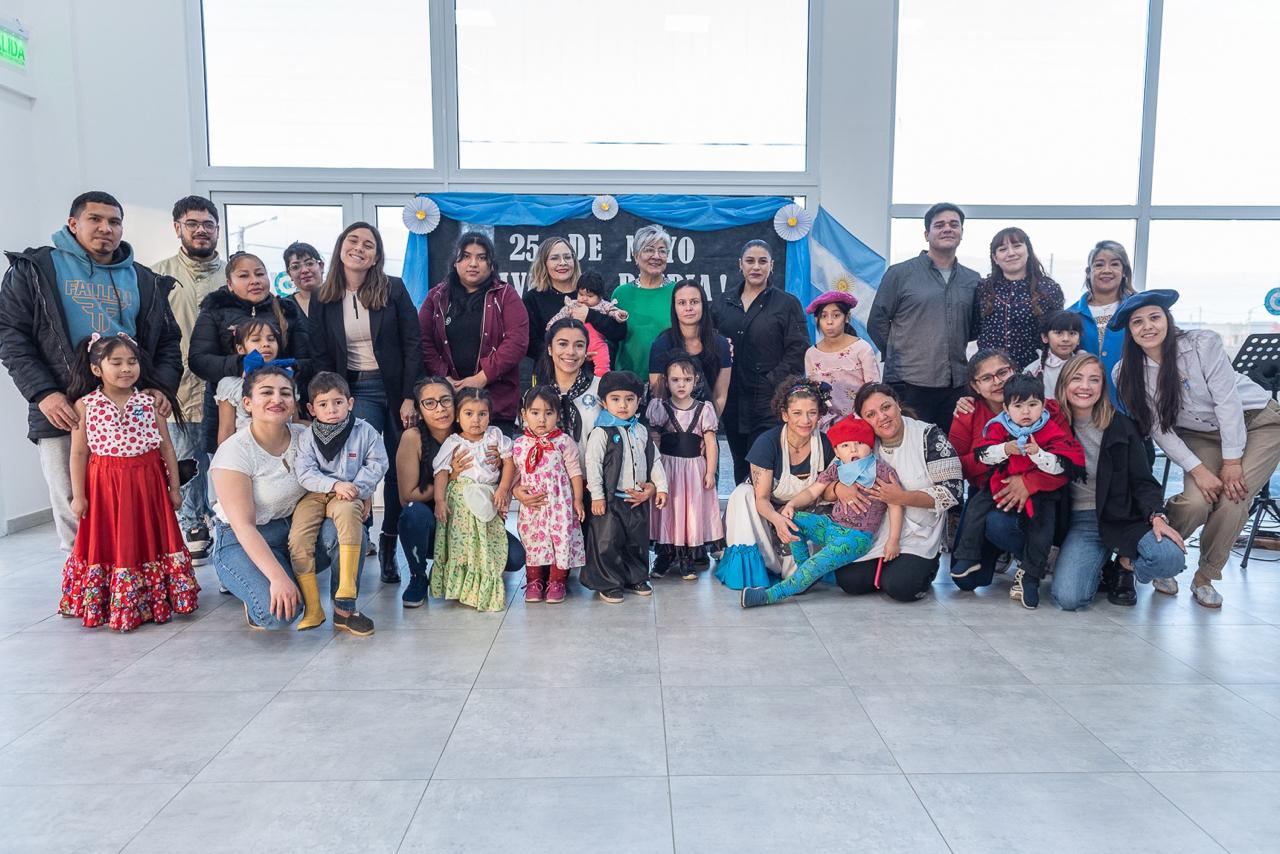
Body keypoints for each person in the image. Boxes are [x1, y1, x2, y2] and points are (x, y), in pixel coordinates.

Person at [0, 190, 183, 552]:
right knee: (73, 498)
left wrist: (161, 387)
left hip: (130, 407)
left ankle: (128, 581)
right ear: (73, 224)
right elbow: (10, 333)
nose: (106, 228)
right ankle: (84, 583)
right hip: (62, 404)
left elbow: (167, 342)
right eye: (95, 219)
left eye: (114, 221)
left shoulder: (144, 279)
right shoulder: (37, 269)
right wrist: (42, 393)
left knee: (137, 497)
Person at [1113, 289, 1280, 608]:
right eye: (1138, 322)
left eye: (1154, 317)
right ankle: (1163, 559)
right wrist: (1199, 470)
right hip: (1200, 433)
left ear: (1167, 319)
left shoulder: (1203, 343)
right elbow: (1158, 428)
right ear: (1130, 332)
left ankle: (1205, 576)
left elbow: (1227, 403)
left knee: (1234, 497)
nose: (1147, 327)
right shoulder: (1126, 372)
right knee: (1194, 501)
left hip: (1258, 421)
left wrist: (1231, 461)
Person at [208, 365, 367, 630]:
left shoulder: (307, 437)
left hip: (294, 530)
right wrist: (278, 579)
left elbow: (345, 471)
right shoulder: (234, 451)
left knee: (350, 527)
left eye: (285, 393)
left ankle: (344, 609)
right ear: (247, 403)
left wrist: (364, 493)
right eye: (266, 393)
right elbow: (243, 526)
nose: (277, 399)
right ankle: (266, 581)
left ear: (294, 403)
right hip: (242, 538)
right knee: (279, 616)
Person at [58, 332, 197, 630]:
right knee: (112, 540)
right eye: (116, 362)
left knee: (148, 536)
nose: (126, 369)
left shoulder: (149, 401)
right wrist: (78, 495)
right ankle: (110, 600)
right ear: (97, 369)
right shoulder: (86, 405)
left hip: (148, 483)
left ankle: (158, 597)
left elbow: (166, 446)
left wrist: (174, 487)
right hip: (105, 485)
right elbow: (79, 452)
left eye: (132, 361)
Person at [309, 221, 423, 582]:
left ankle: (389, 545)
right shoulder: (323, 296)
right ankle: (361, 538)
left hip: (394, 388)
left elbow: (412, 344)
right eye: (353, 241)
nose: (360, 248)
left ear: (377, 255)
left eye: (368, 244)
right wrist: (331, 401)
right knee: (363, 467)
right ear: (341, 246)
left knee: (395, 467)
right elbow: (320, 354)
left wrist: (409, 396)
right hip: (353, 392)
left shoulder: (394, 289)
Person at [1052, 353, 1187, 609]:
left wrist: (1156, 516)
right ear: (1063, 384)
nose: (1085, 386)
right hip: (1083, 522)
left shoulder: (1122, 426)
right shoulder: (1052, 425)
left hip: (1124, 517)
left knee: (1170, 559)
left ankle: (1124, 565)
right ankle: (1102, 565)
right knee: (1069, 598)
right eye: (1077, 378)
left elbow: (1143, 480)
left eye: (1094, 380)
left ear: (1102, 387)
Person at [950, 374, 1084, 609]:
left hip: (1042, 492)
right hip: (1002, 482)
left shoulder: (1050, 428)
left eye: (1032, 405)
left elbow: (1064, 464)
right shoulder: (999, 425)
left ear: (1043, 404)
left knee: (1041, 527)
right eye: (1018, 405)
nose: (1026, 412)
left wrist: (1038, 455)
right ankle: (968, 556)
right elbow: (984, 454)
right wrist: (1006, 448)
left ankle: (1030, 577)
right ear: (1006, 408)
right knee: (977, 505)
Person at [741, 416, 901, 608]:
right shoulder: (837, 468)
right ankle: (804, 576)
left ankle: (769, 596)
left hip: (856, 538)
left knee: (815, 565)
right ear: (836, 451)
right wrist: (791, 505)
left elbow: (895, 505)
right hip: (831, 525)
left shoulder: (881, 471)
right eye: (846, 445)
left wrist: (893, 540)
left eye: (860, 443)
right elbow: (812, 491)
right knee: (793, 520)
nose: (853, 449)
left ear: (870, 445)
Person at [395, 378, 528, 607]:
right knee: (413, 513)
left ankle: (477, 569)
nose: (440, 408)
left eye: (445, 400)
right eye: (430, 403)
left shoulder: (476, 429)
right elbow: (407, 497)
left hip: (473, 517)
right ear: (419, 408)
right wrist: (451, 479)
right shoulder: (414, 438)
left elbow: (499, 469)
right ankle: (418, 576)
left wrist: (499, 467)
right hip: (437, 521)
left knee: (515, 559)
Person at [833, 384, 964, 602]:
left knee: (901, 587)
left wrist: (901, 498)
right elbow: (828, 479)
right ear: (864, 420)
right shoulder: (862, 441)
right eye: (871, 414)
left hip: (919, 533)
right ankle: (887, 570)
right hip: (875, 530)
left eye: (886, 407)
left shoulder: (928, 435)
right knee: (850, 581)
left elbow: (953, 492)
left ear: (898, 405)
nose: (882, 417)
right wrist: (840, 487)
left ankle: (924, 567)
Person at [150, 195, 224, 565]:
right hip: (177, 387)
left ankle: (225, 523)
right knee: (186, 458)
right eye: (192, 224)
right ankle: (194, 524)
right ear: (178, 227)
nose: (200, 231)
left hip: (225, 384)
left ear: (217, 229)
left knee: (225, 455)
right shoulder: (156, 276)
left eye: (208, 224)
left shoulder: (232, 275)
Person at [288, 372, 388, 635]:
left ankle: (346, 590)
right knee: (298, 537)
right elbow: (305, 472)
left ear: (350, 403)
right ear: (311, 409)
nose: (331, 409)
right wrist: (333, 485)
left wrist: (356, 487)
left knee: (348, 518)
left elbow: (377, 463)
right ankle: (313, 607)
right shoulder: (308, 437)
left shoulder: (364, 431)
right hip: (316, 493)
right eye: (323, 404)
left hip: (349, 493)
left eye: (338, 402)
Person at [867, 202, 980, 431]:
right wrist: (901, 353)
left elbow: (973, 326)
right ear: (927, 234)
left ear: (961, 233)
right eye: (939, 225)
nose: (947, 229)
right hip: (908, 383)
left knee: (949, 450)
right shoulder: (900, 273)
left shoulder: (973, 279)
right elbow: (877, 321)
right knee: (910, 449)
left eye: (953, 224)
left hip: (955, 385)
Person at [715, 377, 834, 590]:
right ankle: (753, 566)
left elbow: (827, 490)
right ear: (785, 415)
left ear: (820, 414)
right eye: (797, 413)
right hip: (765, 514)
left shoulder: (824, 444)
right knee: (743, 494)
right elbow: (761, 499)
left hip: (801, 514)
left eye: (812, 413)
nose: (805, 420)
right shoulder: (767, 443)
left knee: (796, 576)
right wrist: (778, 521)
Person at [190, 250, 313, 453]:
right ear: (230, 283)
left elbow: (308, 360)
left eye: (259, 274)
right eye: (244, 276)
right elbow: (198, 360)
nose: (254, 281)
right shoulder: (214, 310)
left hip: (279, 409)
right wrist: (240, 364)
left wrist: (284, 368)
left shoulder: (286, 310)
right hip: (229, 413)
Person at [716, 240, 808, 483]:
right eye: (750, 261)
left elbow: (798, 350)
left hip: (769, 402)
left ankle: (767, 519)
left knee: (766, 466)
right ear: (740, 265)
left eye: (762, 261)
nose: (756, 267)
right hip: (733, 401)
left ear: (771, 266)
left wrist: (772, 382)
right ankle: (742, 519)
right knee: (739, 463)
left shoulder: (787, 304)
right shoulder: (723, 303)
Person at [420, 231, 528, 434]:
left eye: (481, 258)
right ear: (455, 262)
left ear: (491, 265)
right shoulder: (436, 297)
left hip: (494, 405)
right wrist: (444, 378)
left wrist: (482, 378)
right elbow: (423, 340)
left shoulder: (506, 295)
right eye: (466, 256)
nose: (473, 263)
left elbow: (517, 342)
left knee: (492, 463)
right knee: (452, 464)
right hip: (447, 404)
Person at [580, 370, 668, 603]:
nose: (623, 405)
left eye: (629, 399)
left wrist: (661, 487)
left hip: (636, 498)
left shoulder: (640, 431)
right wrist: (597, 497)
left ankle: (636, 576)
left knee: (635, 540)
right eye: (616, 399)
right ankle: (608, 581)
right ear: (603, 402)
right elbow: (593, 465)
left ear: (638, 401)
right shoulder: (601, 433)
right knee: (607, 541)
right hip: (610, 499)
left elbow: (654, 460)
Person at [430, 388, 515, 612]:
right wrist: (439, 500)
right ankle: (461, 589)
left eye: (482, 414)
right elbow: (441, 471)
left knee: (487, 545)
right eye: (468, 414)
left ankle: (483, 588)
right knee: (463, 546)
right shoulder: (453, 441)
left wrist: (504, 489)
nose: (476, 420)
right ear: (457, 417)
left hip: (487, 497)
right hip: (460, 502)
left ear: (490, 415)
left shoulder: (495, 436)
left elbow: (509, 462)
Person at [646, 353, 724, 581]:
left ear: (696, 380)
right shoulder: (659, 407)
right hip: (668, 469)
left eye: (687, 380)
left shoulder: (704, 409)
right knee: (668, 511)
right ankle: (665, 555)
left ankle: (688, 558)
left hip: (693, 470)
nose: (681, 385)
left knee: (689, 510)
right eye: (675, 380)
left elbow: (710, 442)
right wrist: (653, 471)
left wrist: (710, 471)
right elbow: (654, 441)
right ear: (666, 380)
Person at [512, 385, 585, 604]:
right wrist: (517, 493)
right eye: (535, 413)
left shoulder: (563, 442)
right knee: (534, 542)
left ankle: (557, 581)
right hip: (533, 507)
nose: (541, 419)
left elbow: (575, 472)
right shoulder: (519, 445)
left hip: (560, 505)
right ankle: (534, 581)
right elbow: (514, 477)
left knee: (559, 541)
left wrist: (578, 500)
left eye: (549, 413)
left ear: (558, 415)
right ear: (524, 414)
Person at [522, 237, 626, 372]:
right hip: (549, 376)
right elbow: (529, 343)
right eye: (554, 258)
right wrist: (570, 356)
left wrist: (590, 315)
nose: (562, 263)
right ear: (544, 263)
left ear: (574, 261)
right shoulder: (532, 298)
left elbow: (619, 332)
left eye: (567, 257)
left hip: (592, 375)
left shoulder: (590, 292)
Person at [971, 227, 1064, 370]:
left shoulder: (1049, 289)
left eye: (1017, 246)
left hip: (1033, 373)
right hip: (991, 374)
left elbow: (1057, 332)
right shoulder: (983, 288)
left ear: (1028, 251)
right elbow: (974, 328)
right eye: (1003, 249)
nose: (1011, 253)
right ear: (995, 258)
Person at [648, 279, 733, 415]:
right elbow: (658, 396)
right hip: (669, 425)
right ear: (674, 307)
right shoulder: (661, 345)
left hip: (707, 424)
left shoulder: (721, 344)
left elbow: (720, 396)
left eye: (694, 302)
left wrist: (708, 426)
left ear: (703, 305)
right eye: (682, 303)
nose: (688, 308)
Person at [804, 290, 879, 425]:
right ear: (816, 319)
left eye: (836, 315)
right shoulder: (811, 354)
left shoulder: (861, 348)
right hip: (825, 425)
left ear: (847, 317)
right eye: (824, 316)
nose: (830, 322)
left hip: (860, 422)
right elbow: (812, 395)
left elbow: (874, 390)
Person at [1066, 240, 1136, 384]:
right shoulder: (1070, 316)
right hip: (1084, 399)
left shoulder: (1138, 310)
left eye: (1115, 264)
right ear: (1088, 272)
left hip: (1130, 399)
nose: (1106, 270)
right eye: (1099, 264)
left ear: (1124, 272)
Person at [612, 225, 676, 375]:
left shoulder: (678, 292)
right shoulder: (621, 294)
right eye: (649, 249)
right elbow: (611, 343)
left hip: (670, 383)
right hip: (628, 385)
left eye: (662, 250)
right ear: (635, 256)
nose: (656, 256)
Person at [215, 320, 291, 446]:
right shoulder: (230, 385)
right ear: (240, 348)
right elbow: (226, 429)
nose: (266, 344)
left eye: (271, 339)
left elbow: (294, 420)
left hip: (284, 449)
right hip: (245, 452)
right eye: (256, 340)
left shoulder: (287, 378)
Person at [546, 270, 628, 378]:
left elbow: (613, 311)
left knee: (602, 356)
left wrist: (619, 315)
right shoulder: (573, 305)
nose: (584, 299)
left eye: (589, 296)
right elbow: (561, 315)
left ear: (600, 297)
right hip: (576, 345)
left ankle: (602, 377)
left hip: (597, 344)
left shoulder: (603, 305)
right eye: (581, 294)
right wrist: (551, 324)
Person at [1024, 309, 1084, 399]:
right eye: (1058, 333)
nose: (1066, 339)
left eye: (1072, 333)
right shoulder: (1032, 371)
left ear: (1079, 339)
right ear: (1045, 337)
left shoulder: (1085, 367)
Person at [282, 241, 324, 317]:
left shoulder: (339, 298)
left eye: (309, 263)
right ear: (289, 274)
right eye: (295, 267)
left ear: (321, 266)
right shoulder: (284, 307)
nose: (304, 270)